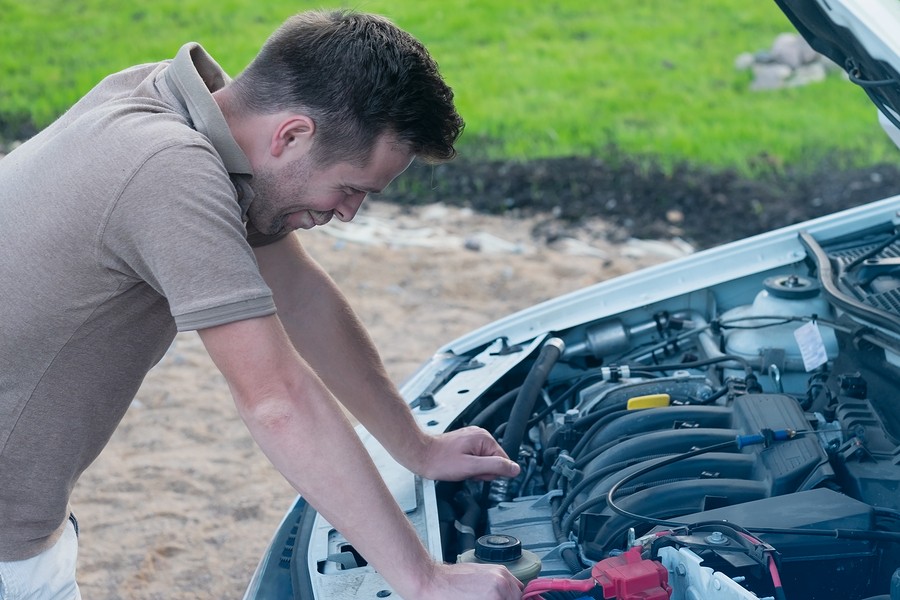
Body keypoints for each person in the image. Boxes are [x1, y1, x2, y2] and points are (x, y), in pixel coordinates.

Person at [0, 9, 525, 600]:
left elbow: (300, 295)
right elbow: (276, 399)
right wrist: (424, 581)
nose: (348, 212)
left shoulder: (171, 101)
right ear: (292, 135)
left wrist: (416, 447)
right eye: (351, 189)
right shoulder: (169, 171)